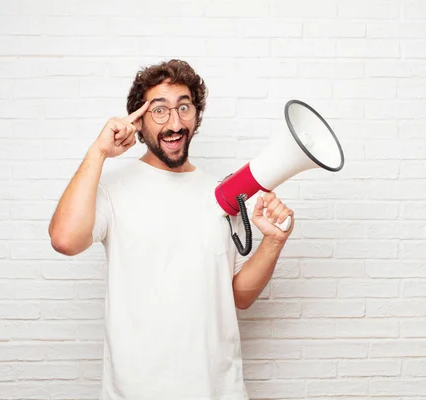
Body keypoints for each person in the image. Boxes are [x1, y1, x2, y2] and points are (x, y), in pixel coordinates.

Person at [48, 59, 294, 400]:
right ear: (138, 120)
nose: (174, 122)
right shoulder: (111, 189)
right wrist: (99, 152)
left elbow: (240, 296)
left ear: (196, 115)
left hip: (217, 391)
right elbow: (64, 239)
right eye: (159, 110)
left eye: (184, 107)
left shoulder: (222, 195)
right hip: (136, 391)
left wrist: (273, 241)